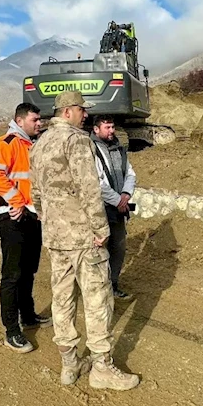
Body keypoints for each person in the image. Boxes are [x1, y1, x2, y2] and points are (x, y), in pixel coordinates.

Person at [29, 90, 140, 390]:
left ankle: (70, 364)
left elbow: (36, 192)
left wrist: (47, 219)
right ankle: (101, 367)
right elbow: (89, 189)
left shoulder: (39, 144)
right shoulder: (76, 140)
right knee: (97, 298)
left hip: (55, 237)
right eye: (82, 109)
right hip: (82, 237)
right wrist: (101, 229)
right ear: (68, 111)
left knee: (62, 298)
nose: (85, 114)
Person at [0, 103, 52, 354]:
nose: (39, 123)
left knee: (28, 271)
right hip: (13, 217)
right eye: (35, 119)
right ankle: (12, 330)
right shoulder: (7, 144)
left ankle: (29, 316)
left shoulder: (30, 145)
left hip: (32, 216)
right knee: (12, 274)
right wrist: (17, 202)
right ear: (20, 120)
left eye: (40, 119)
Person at [90, 115, 136, 301]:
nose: (111, 131)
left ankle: (112, 285)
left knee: (119, 248)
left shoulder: (119, 148)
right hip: (101, 210)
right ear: (96, 129)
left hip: (118, 209)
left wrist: (125, 194)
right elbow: (97, 183)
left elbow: (130, 173)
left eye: (112, 127)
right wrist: (118, 201)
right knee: (100, 251)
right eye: (107, 127)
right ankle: (98, 290)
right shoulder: (92, 150)